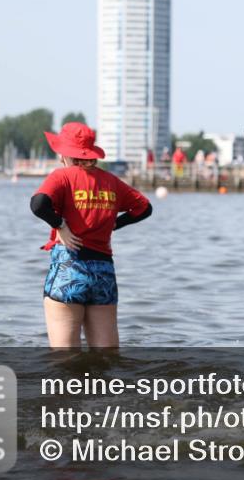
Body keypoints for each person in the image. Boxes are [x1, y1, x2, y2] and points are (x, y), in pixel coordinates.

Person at [30, 122, 153, 348]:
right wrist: (115, 223)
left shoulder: (62, 177)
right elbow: (144, 208)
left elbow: (38, 204)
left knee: (64, 358)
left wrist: (60, 225)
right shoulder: (111, 181)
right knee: (106, 356)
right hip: (103, 273)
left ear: (65, 154)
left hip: (70, 269)